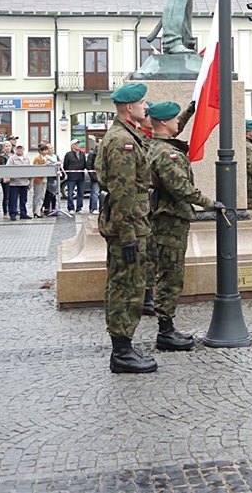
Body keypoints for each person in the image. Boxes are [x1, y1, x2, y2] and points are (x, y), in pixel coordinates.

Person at [146, 101, 222, 351]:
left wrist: (190, 110)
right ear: (164, 123)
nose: (178, 123)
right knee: (171, 275)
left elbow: (177, 124)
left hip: (169, 219)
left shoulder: (157, 145)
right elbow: (181, 187)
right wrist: (210, 203)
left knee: (170, 273)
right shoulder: (166, 154)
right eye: (174, 120)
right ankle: (165, 331)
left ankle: (167, 327)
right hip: (170, 220)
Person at [96, 83, 156, 373]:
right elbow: (122, 193)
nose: (146, 107)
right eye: (142, 103)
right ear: (129, 108)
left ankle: (124, 347)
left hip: (134, 222)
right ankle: (121, 352)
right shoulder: (123, 141)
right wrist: (128, 236)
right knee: (126, 287)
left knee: (129, 285)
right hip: (128, 225)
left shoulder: (127, 134)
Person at [5, 144, 32, 220]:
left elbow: (30, 170)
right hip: (14, 183)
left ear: (23, 149)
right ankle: (13, 214)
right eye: (18, 148)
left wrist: (30, 181)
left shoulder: (26, 158)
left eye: (21, 148)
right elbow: (7, 169)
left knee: (23, 200)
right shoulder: (12, 159)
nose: (19, 150)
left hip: (24, 182)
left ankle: (23, 213)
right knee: (13, 199)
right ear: (15, 149)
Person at [63, 139, 88, 212]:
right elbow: (65, 166)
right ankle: (71, 208)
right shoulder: (68, 154)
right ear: (72, 146)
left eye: (78, 144)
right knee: (70, 193)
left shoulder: (82, 154)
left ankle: (79, 208)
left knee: (81, 193)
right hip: (72, 177)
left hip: (81, 176)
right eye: (76, 144)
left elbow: (84, 164)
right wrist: (69, 173)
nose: (78, 145)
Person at [32, 143, 50, 217]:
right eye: (44, 150)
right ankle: (35, 211)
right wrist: (45, 164)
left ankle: (38, 210)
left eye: (46, 150)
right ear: (40, 151)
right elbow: (36, 168)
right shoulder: (37, 158)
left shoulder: (47, 158)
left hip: (45, 179)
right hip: (38, 179)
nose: (46, 151)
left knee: (42, 196)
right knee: (37, 195)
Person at [86, 138, 100, 214]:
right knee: (95, 193)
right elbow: (89, 166)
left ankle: (95, 208)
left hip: (102, 176)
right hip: (95, 176)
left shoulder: (103, 152)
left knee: (99, 193)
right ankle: (94, 208)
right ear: (96, 143)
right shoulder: (92, 154)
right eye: (100, 142)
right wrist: (93, 176)